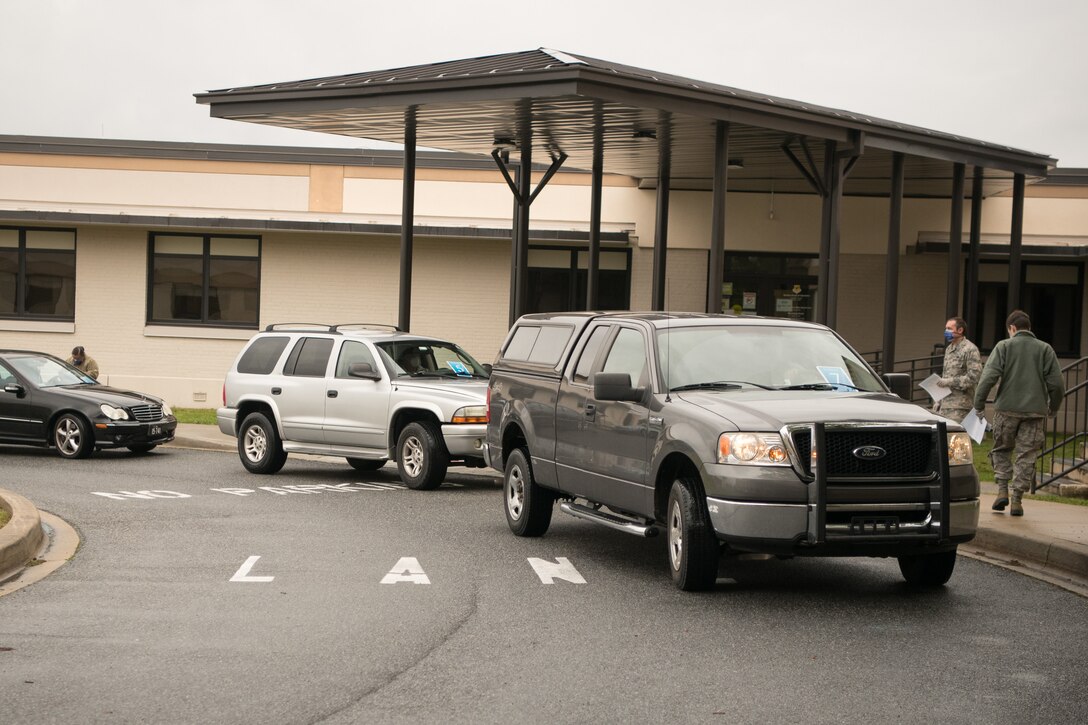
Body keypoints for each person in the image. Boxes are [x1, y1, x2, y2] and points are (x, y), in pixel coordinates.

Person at [973, 310, 1065, 517]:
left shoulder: (1004, 346)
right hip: (1035, 411)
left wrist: (978, 405)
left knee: (1002, 449)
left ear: (1012, 328)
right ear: (1029, 328)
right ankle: (1017, 500)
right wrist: (1053, 407)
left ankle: (1002, 491)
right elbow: (1057, 384)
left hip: (1006, 410)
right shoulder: (1045, 349)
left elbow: (988, 377)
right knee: (1026, 454)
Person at [933, 316, 982, 423]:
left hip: (960, 407)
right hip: (944, 406)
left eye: (950, 328)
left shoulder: (970, 349)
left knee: (957, 439)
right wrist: (938, 401)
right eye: (946, 328)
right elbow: (946, 375)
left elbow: (974, 377)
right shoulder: (949, 349)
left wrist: (949, 382)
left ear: (960, 330)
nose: (946, 331)